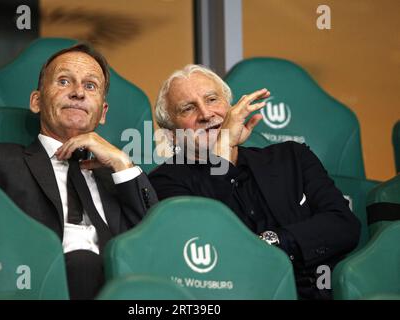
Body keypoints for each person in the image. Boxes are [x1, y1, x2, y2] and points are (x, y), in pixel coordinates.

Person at [149, 64, 360, 300]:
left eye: (211, 99)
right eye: (188, 108)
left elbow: (344, 226)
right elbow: (213, 252)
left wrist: (275, 240)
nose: (206, 114)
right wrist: (222, 152)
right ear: (171, 134)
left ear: (230, 109)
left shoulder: (292, 157)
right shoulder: (163, 182)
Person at [0, 43, 158, 299]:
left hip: (124, 293)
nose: (78, 93)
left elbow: (158, 244)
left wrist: (123, 163)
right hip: (33, 287)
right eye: (64, 81)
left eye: (90, 86)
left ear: (103, 113)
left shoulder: (118, 178)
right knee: (83, 263)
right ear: (36, 101)